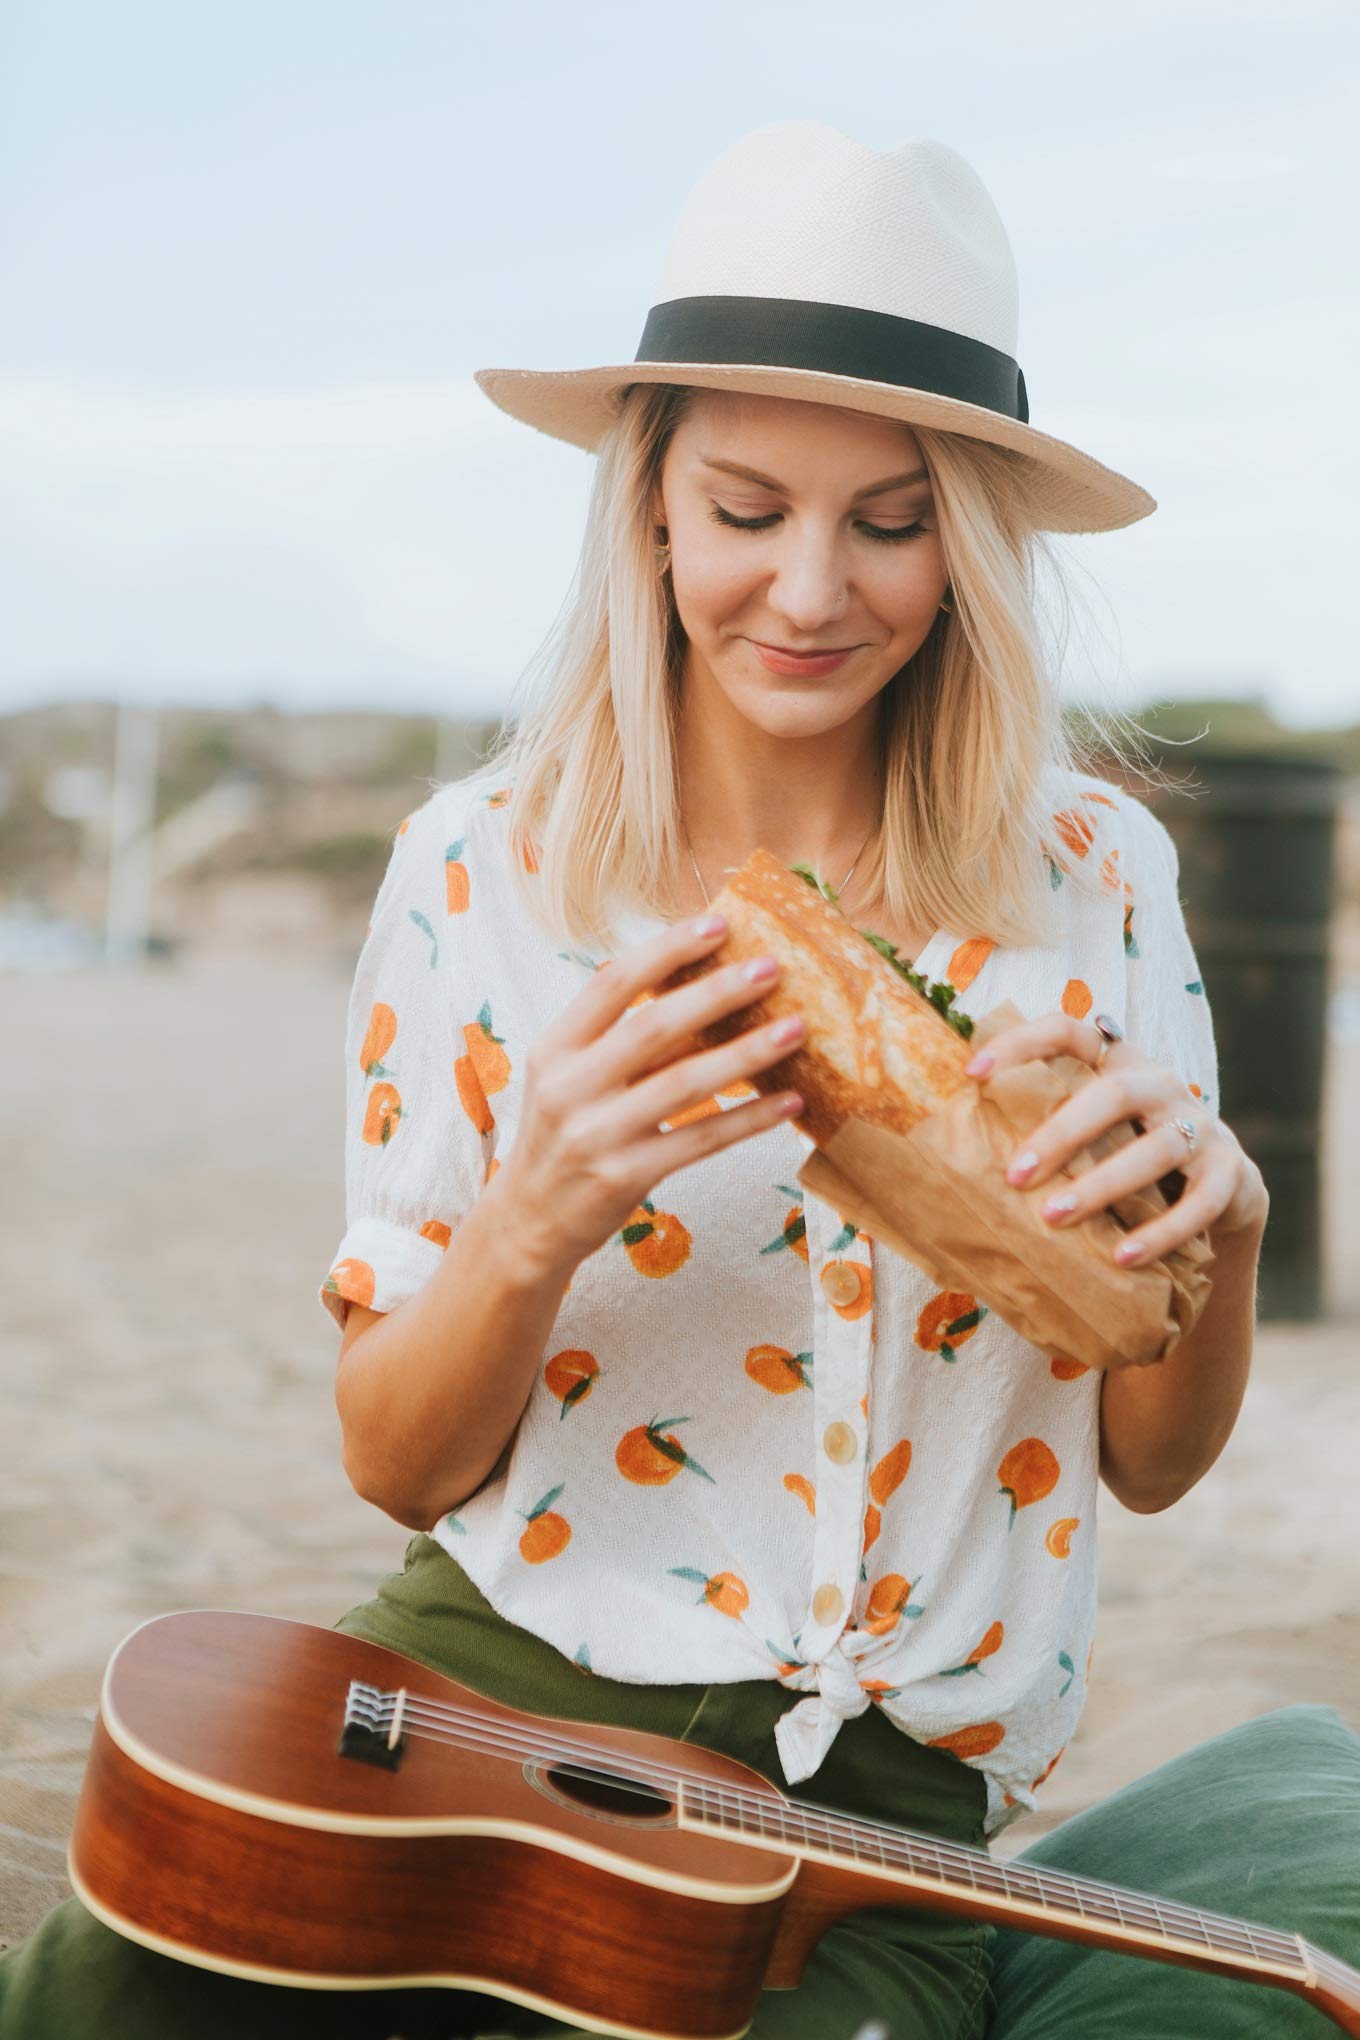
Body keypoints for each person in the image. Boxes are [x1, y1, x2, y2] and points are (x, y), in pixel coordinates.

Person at [0, 122, 1269, 2040]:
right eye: (746, 508)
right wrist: (540, 1206)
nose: (812, 588)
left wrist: (1224, 1227)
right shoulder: (479, 867)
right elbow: (400, 1462)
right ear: (650, 509)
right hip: (480, 1684)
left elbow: (1155, 1462)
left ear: (974, 539)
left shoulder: (1092, 882)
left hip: (871, 1804)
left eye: (893, 519)